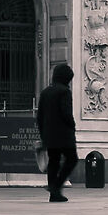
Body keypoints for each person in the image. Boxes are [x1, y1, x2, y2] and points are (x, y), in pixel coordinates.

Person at [37, 62, 78, 203]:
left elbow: (40, 117)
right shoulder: (65, 92)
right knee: (72, 159)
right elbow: (66, 112)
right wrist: (72, 125)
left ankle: (54, 194)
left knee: (53, 161)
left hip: (49, 135)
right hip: (64, 134)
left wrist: (43, 135)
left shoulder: (45, 92)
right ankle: (56, 186)